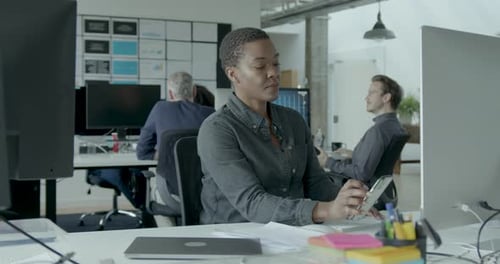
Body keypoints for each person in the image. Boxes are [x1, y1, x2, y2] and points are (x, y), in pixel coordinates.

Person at [197, 27, 370, 226]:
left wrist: (349, 201)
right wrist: (326, 210)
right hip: (237, 237)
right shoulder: (217, 130)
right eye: (260, 66)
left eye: (276, 63)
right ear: (234, 74)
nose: (274, 73)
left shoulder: (293, 121)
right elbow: (252, 203)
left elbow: (315, 183)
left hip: (292, 231)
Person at [137, 71, 214, 215]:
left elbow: (142, 152)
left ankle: (169, 232)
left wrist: (164, 153)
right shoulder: (210, 114)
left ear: (170, 94)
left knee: (158, 199)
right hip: (205, 196)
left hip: (170, 195)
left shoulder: (160, 109)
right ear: (194, 91)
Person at [318, 74, 407, 183]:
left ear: (386, 98)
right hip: (381, 190)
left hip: (361, 190)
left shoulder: (378, 131)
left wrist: (327, 162)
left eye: (372, 93)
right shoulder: (396, 127)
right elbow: (382, 161)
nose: (366, 98)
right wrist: (356, 154)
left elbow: (361, 173)